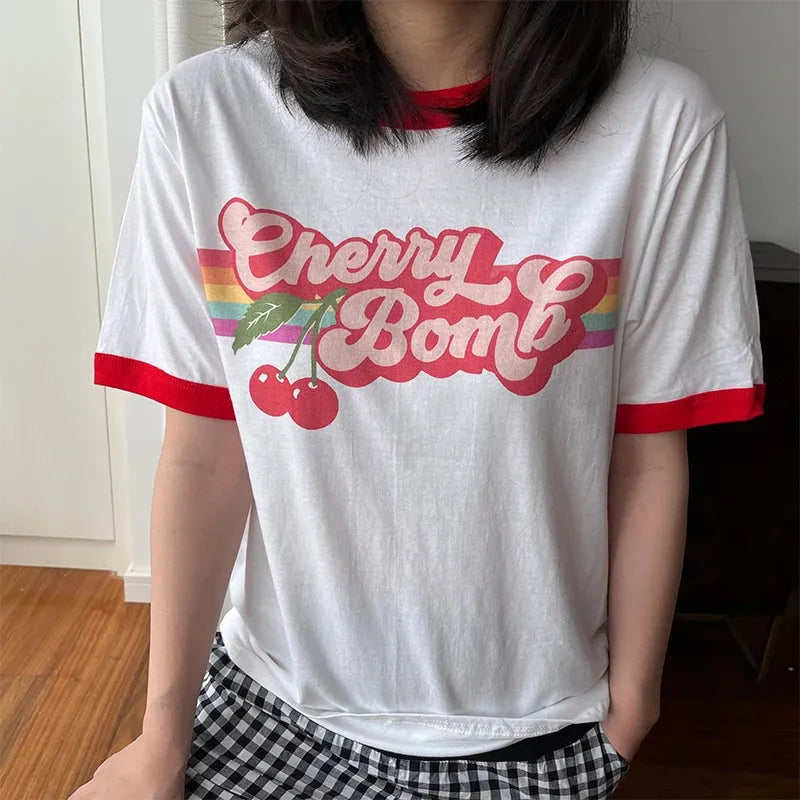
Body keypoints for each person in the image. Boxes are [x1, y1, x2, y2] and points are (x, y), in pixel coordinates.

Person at [70, 1, 765, 798]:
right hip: (272, 706)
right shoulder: (206, 115)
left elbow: (645, 458)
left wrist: (632, 709)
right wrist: (162, 738)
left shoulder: (661, 126)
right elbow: (204, 456)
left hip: (540, 737)